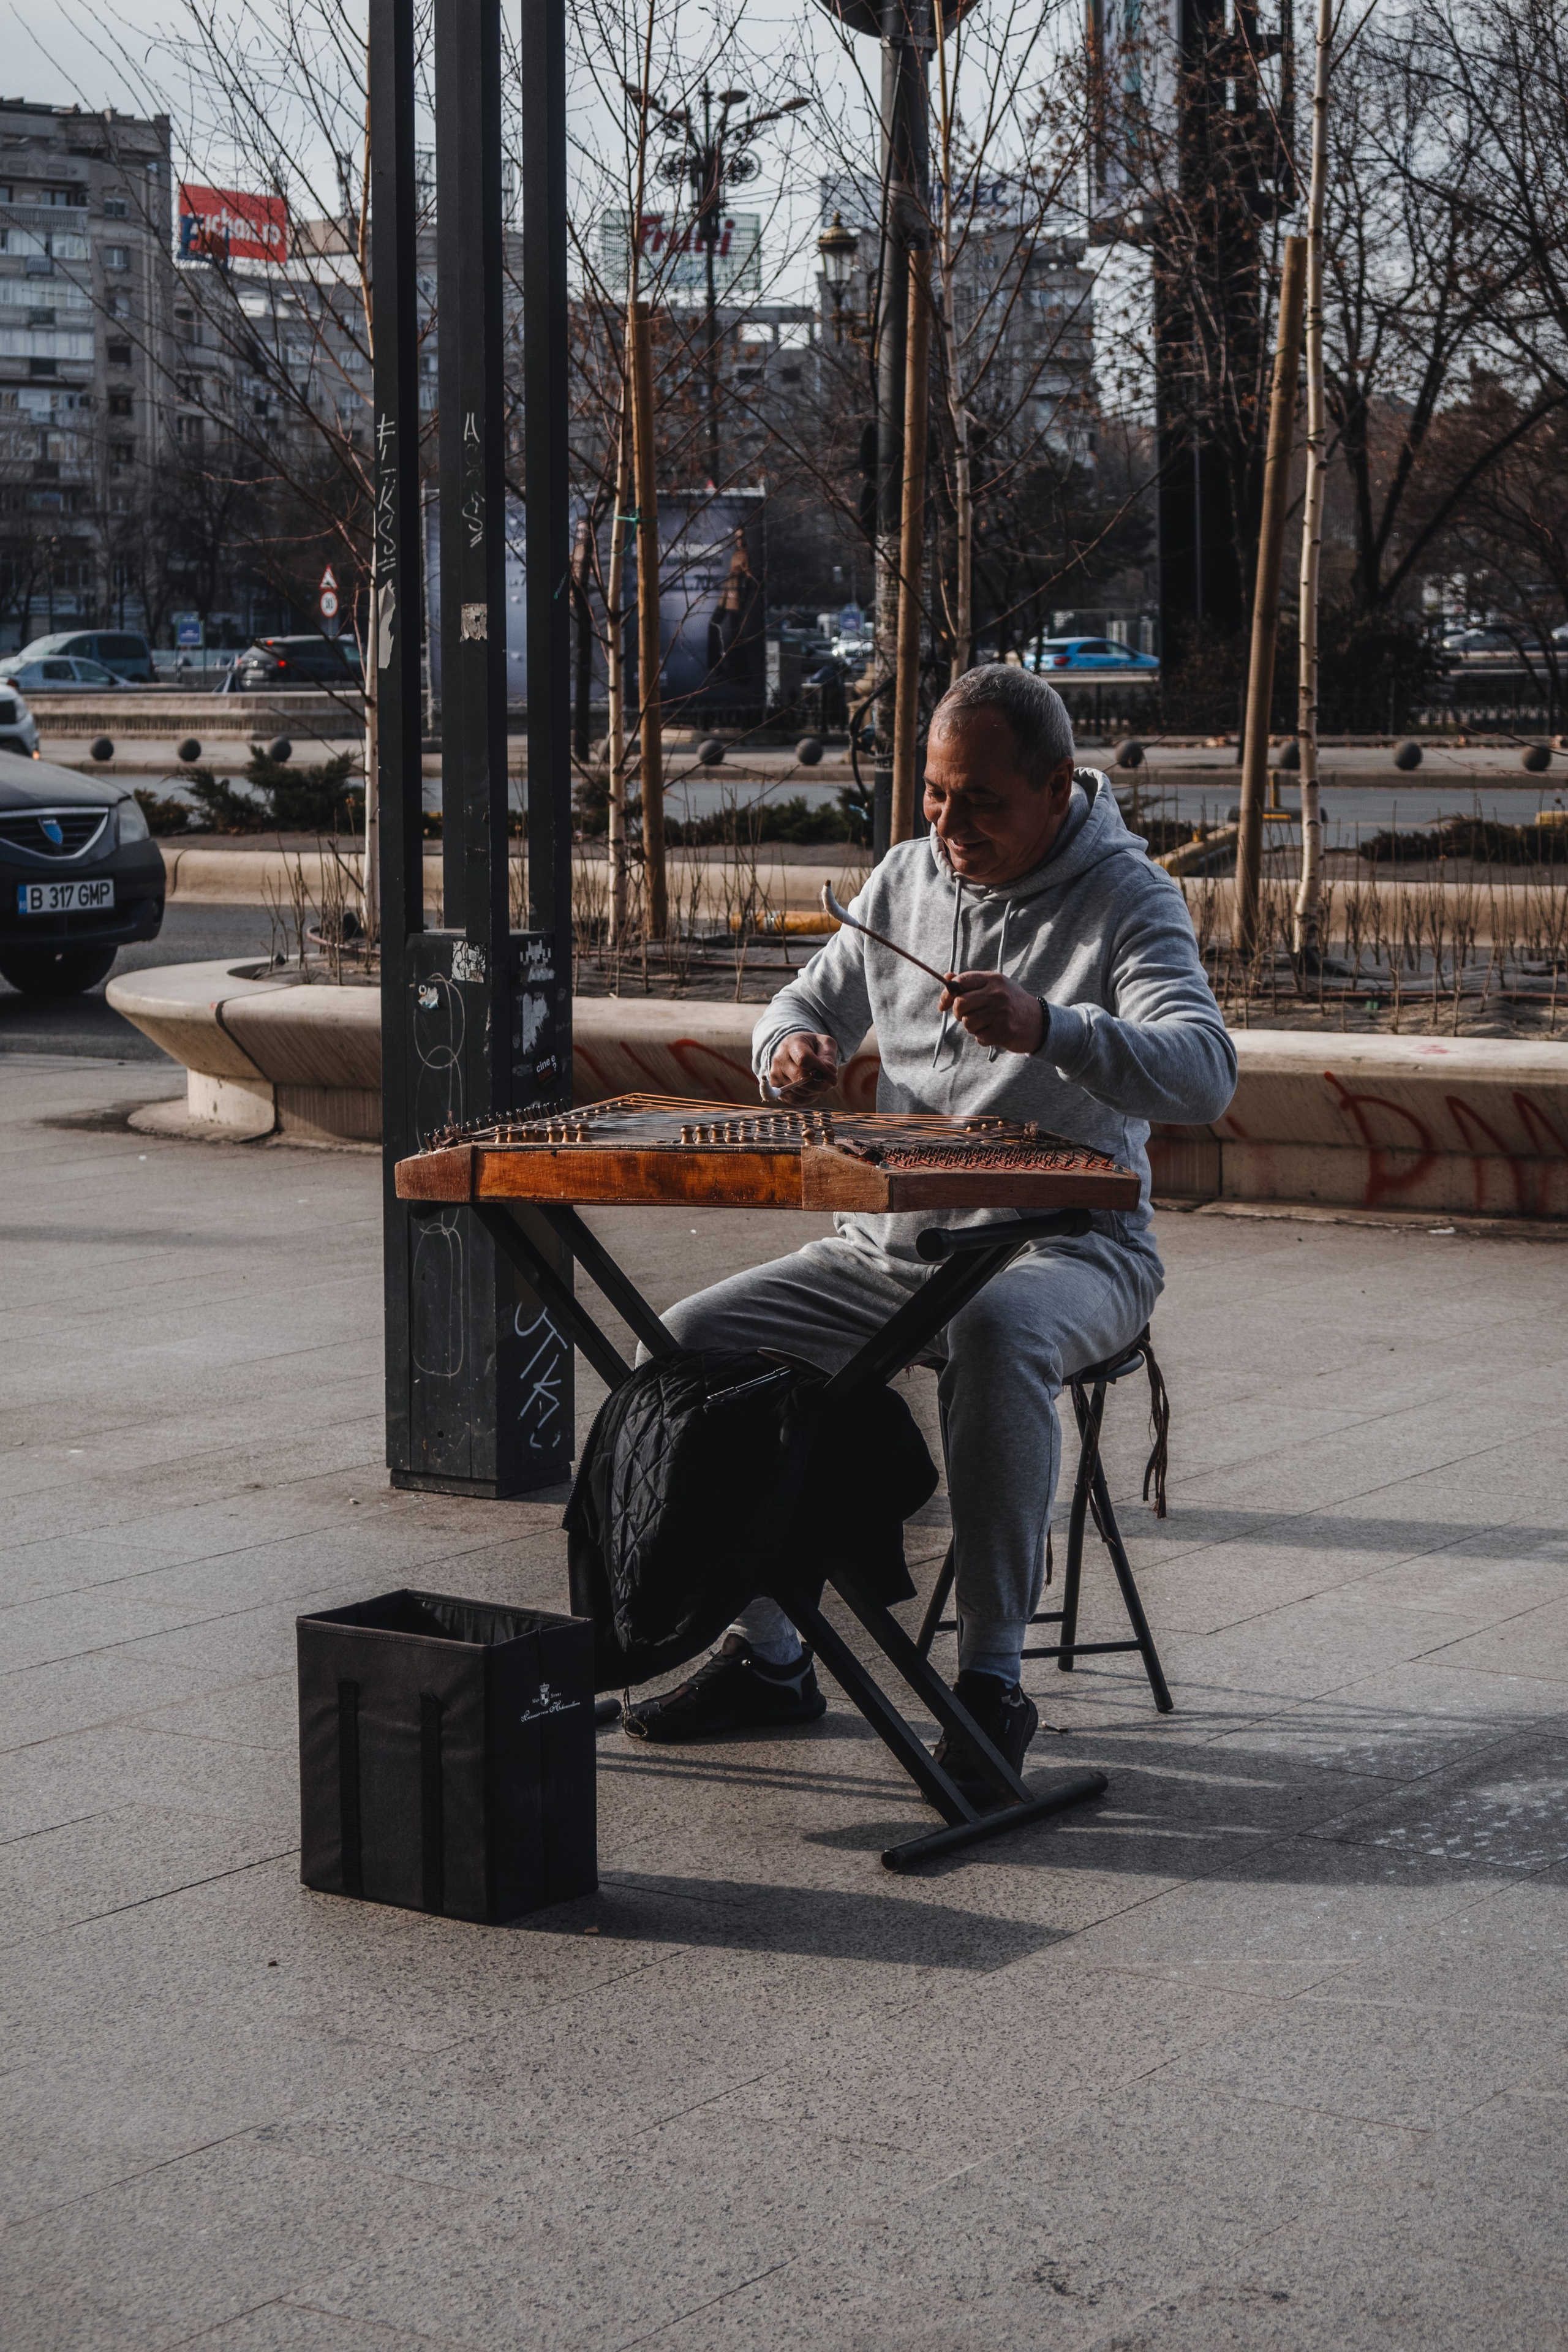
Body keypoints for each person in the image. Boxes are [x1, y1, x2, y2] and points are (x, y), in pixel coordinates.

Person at [623, 664, 1237, 1801]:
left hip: (1072, 1248)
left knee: (1000, 1329)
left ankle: (992, 1685)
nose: (951, 827)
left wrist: (1052, 1025)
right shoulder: (907, 874)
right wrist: (788, 1056)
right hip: (893, 1248)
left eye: (982, 803)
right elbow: (801, 1003)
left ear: (1059, 787)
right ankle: (769, 1653)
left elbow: (1204, 1072)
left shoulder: (1129, 896)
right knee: (690, 1344)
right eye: (935, 796)